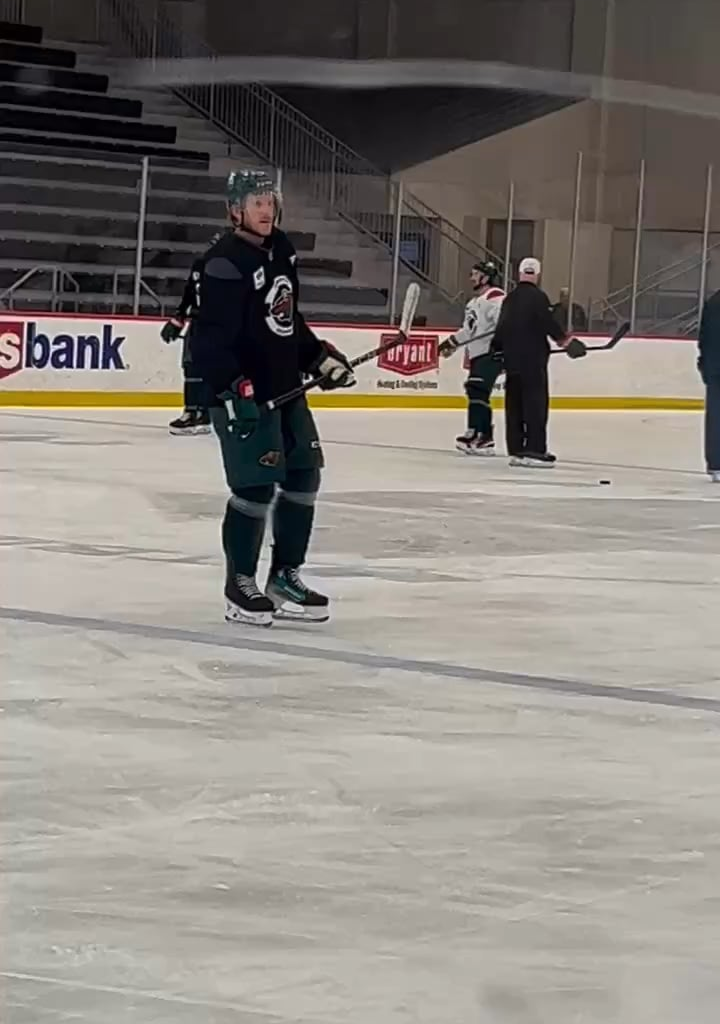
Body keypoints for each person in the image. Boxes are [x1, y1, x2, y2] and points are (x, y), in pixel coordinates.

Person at [190, 169, 356, 626]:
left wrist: (318, 357)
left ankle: (284, 577)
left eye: (270, 201)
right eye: (256, 202)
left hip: (285, 388)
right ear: (235, 209)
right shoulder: (222, 262)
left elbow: (285, 319)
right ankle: (239, 583)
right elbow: (207, 339)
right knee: (254, 487)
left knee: (304, 476)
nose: (266, 210)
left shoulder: (282, 249)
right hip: (243, 394)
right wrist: (232, 383)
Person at [492, 257, 567, 467]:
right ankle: (534, 449)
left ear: (519, 273)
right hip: (533, 361)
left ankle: (517, 449)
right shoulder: (538, 297)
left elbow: (502, 327)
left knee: (514, 403)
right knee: (535, 404)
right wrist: (565, 341)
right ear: (538, 274)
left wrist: (497, 351)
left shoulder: (510, 298)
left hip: (512, 361)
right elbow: (547, 322)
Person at [439, 260, 505, 455]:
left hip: (491, 352)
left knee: (477, 388)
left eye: (475, 274)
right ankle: (475, 432)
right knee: (476, 391)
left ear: (486, 277)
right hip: (478, 354)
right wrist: (451, 343)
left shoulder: (496, 296)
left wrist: (501, 344)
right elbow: (469, 331)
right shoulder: (473, 303)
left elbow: (504, 321)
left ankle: (483, 436)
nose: (471, 278)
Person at [161, 246, 218, 436]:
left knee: (211, 369)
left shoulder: (233, 269)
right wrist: (178, 319)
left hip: (220, 326)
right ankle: (191, 412)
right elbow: (189, 294)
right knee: (190, 365)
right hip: (198, 324)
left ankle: (206, 413)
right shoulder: (199, 266)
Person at [697, 289, 720, 482]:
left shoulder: (713, 301)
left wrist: (704, 362)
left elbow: (702, 337)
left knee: (715, 415)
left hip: (714, 366)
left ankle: (716, 464)